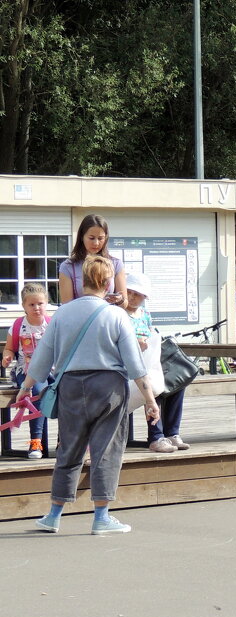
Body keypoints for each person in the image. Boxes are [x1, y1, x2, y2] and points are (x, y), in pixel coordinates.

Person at [15, 255, 159, 535]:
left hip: (70, 386)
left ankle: (54, 515)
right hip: (109, 389)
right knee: (107, 450)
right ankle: (101, 517)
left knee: (69, 450)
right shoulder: (116, 315)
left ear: (82, 282)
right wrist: (151, 400)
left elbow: (41, 360)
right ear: (106, 281)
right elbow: (135, 366)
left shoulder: (62, 314)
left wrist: (24, 389)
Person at [123, 273, 188, 454]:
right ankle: (156, 435)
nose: (134, 297)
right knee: (152, 387)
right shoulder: (118, 313)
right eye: (130, 292)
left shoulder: (145, 314)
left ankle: (172, 432)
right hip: (127, 367)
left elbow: (151, 333)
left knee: (177, 382)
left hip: (148, 362)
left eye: (139, 294)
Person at [2, 283, 52, 458]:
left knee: (69, 390)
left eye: (40, 304)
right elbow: (10, 348)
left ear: (46, 303)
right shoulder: (18, 325)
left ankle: (66, 442)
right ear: (23, 306)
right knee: (38, 390)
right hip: (27, 371)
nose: (37, 308)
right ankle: (35, 442)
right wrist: (7, 357)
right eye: (31, 305)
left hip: (51, 370)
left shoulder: (52, 324)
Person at [59, 214, 127, 306]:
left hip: (107, 318)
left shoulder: (115, 264)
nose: (96, 243)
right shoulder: (68, 266)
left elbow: (125, 303)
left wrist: (119, 300)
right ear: (82, 237)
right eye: (91, 238)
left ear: (106, 238)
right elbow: (66, 306)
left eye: (100, 238)